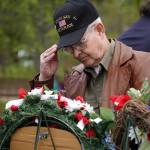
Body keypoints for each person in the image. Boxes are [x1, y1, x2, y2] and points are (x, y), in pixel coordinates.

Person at [30, 0, 150, 109]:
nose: (76, 54)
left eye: (81, 43)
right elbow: (48, 120)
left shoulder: (143, 64)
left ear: (99, 30)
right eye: (69, 48)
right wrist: (44, 78)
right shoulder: (74, 78)